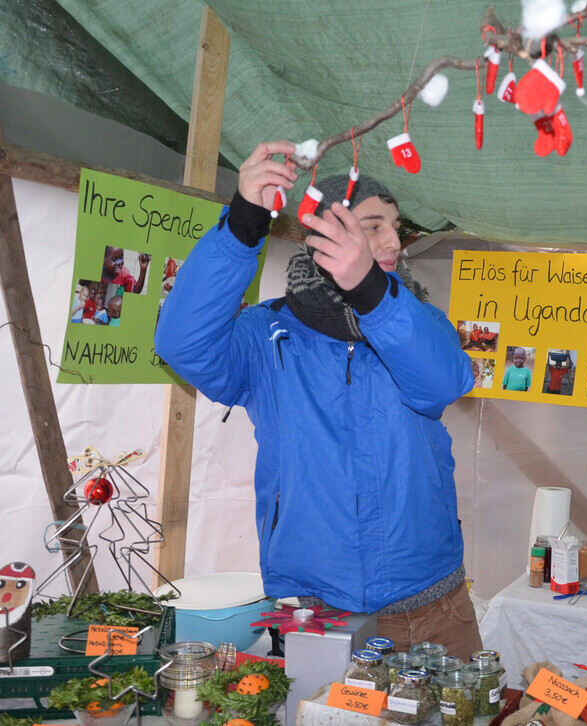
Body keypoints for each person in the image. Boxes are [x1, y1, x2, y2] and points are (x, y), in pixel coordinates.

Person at [155, 141, 482, 660]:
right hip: (320, 613)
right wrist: (243, 221)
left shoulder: (418, 321)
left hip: (435, 609)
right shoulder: (268, 335)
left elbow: (444, 383)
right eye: (373, 224)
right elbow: (182, 343)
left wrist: (372, 290)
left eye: (396, 226)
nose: (394, 238)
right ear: (326, 232)